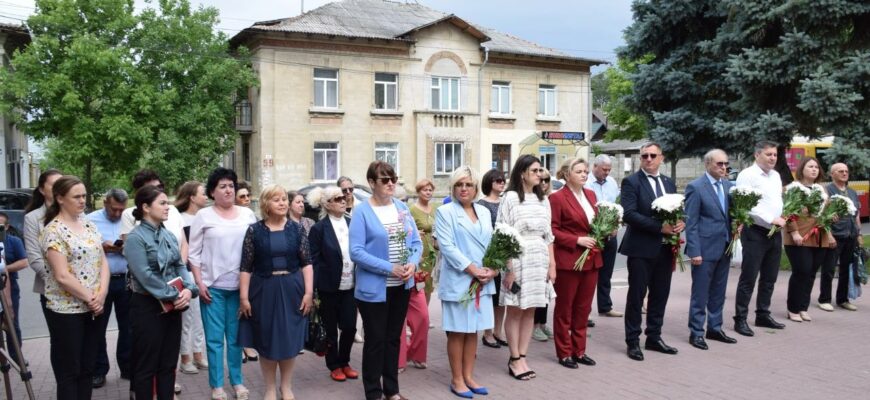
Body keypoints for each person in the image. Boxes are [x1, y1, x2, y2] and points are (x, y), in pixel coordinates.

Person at [350, 161, 422, 400]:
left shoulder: (401, 207)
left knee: (393, 340)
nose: (391, 183)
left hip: (401, 286)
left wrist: (412, 263)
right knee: (375, 341)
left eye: (394, 179)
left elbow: (415, 243)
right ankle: (373, 392)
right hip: (374, 289)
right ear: (372, 183)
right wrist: (390, 268)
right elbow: (356, 252)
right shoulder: (362, 211)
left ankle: (392, 390)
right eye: (385, 180)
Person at [238, 185, 313, 400]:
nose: (282, 203)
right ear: (265, 205)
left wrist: (308, 293)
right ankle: (270, 388)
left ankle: (286, 387)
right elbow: (245, 266)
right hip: (263, 290)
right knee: (267, 340)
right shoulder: (254, 230)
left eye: (283, 199)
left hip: (292, 288)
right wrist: (243, 297)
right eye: (276, 200)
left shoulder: (297, 229)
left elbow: (307, 262)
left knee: (289, 341)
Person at [188, 167, 257, 400]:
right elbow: (193, 253)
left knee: (237, 339)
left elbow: (255, 250)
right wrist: (199, 282)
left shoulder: (247, 215)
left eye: (231, 185)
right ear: (212, 192)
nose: (228, 190)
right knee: (215, 339)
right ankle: (217, 385)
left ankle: (237, 381)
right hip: (213, 288)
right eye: (222, 186)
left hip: (241, 288)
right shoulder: (203, 217)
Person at [124, 185, 198, 399]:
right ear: (146, 207)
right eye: (163, 203)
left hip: (173, 307)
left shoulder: (167, 234)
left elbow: (179, 265)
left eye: (168, 202)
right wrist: (176, 295)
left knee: (168, 365)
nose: (169, 207)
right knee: (146, 367)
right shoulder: (135, 238)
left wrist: (189, 289)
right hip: (147, 307)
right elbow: (145, 276)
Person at [40, 175, 110, 400]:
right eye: (76, 197)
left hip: (94, 307)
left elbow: (103, 263)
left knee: (88, 368)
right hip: (66, 310)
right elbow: (62, 275)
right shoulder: (53, 230)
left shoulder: (88, 225)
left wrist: (102, 294)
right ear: (60, 198)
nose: (82, 201)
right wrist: (91, 298)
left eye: (84, 196)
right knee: (70, 371)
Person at [619, 142, 684, 361]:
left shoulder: (668, 182)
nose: (648, 159)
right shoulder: (631, 181)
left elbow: (678, 211)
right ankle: (633, 341)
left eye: (652, 155)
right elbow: (629, 214)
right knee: (637, 295)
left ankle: (654, 337)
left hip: (666, 248)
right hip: (641, 247)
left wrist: (679, 223)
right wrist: (659, 227)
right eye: (644, 155)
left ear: (661, 158)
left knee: (660, 294)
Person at [435, 165, 495, 397]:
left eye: (468, 184)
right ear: (452, 188)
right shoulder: (445, 212)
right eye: (459, 184)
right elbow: (447, 247)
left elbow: (491, 244)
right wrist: (472, 270)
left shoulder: (484, 212)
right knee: (458, 331)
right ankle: (457, 378)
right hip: (460, 279)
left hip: (483, 280)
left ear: (476, 188)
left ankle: (469, 376)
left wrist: (493, 269)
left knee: (474, 332)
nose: (463, 188)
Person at [498, 154, 555, 380]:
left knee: (531, 308)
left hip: (538, 258)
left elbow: (549, 235)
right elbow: (503, 234)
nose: (539, 174)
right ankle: (513, 358)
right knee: (515, 309)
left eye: (540, 171)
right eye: (535, 170)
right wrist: (509, 268)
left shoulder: (544, 200)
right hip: (517, 258)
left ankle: (523, 355)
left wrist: (552, 265)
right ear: (522, 173)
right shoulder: (510, 198)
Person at [684, 150, 739, 350]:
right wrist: (694, 251)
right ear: (708, 164)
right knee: (700, 293)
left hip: (724, 246)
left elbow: (728, 215)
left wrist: (737, 224)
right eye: (719, 164)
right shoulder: (696, 187)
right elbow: (691, 223)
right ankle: (696, 332)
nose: (724, 167)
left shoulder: (728, 186)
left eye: (726, 164)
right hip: (704, 249)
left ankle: (715, 328)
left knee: (718, 292)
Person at [549, 158, 601, 368]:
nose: (584, 175)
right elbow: (552, 230)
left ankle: (579, 350)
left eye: (585, 171)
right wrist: (576, 240)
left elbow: (596, 222)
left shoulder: (591, 195)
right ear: (567, 174)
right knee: (565, 308)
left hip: (591, 259)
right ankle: (564, 352)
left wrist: (605, 230)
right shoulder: (558, 198)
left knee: (583, 308)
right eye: (578, 171)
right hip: (569, 260)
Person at [733, 141, 787, 337]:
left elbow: (776, 201)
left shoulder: (776, 176)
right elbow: (745, 204)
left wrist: (782, 216)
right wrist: (769, 218)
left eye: (775, 154)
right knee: (749, 277)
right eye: (769, 154)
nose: (773, 158)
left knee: (770, 277)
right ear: (757, 155)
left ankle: (763, 314)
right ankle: (740, 319)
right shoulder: (747, 175)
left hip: (775, 232)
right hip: (755, 231)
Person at [308, 186, 359, 382]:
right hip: (329, 287)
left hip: (351, 284)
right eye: (338, 198)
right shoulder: (319, 228)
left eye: (344, 197)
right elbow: (313, 260)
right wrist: (315, 287)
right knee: (330, 330)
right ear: (327, 204)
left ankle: (344, 361)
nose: (343, 200)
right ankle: (334, 364)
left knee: (349, 327)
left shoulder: (351, 222)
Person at [783, 157, 836, 323]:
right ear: (802, 169)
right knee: (802, 271)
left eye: (816, 167)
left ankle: (803, 307)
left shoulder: (822, 190)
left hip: (819, 237)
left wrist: (831, 218)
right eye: (810, 166)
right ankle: (793, 308)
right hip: (798, 237)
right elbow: (788, 212)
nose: (814, 169)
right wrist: (794, 232)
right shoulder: (792, 188)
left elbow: (824, 215)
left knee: (811, 273)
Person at [88, 189, 132, 387]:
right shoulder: (90, 220)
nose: (117, 214)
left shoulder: (129, 218)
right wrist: (101, 247)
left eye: (120, 210)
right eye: (113, 209)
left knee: (129, 327)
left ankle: (128, 367)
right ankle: (99, 370)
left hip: (125, 279)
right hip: (100, 283)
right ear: (105, 202)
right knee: (98, 327)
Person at [399, 180, 434, 371]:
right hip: (394, 277)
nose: (401, 205)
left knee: (423, 317)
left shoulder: (407, 217)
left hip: (415, 274)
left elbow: (416, 244)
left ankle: (416, 354)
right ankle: (399, 360)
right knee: (399, 323)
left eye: (403, 201)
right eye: (399, 201)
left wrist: (414, 260)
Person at [174, 181, 209, 373]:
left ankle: (198, 354)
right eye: (203, 193)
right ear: (192, 197)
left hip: (203, 273)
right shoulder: (179, 219)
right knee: (187, 317)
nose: (206, 197)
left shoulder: (205, 217)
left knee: (200, 318)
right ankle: (185, 358)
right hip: (186, 272)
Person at [820, 163, 864, 311]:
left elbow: (856, 215)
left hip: (850, 235)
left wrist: (859, 234)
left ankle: (842, 300)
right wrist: (829, 235)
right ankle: (824, 299)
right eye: (840, 171)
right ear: (832, 174)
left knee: (846, 268)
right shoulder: (827, 191)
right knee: (829, 269)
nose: (844, 173)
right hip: (835, 235)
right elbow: (822, 215)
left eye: (846, 171)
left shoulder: (852, 192)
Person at [585, 154, 623, 318]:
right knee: (588, 274)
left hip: (610, 235)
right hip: (592, 235)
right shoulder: (586, 182)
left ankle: (605, 306)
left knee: (606, 273)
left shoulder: (612, 183)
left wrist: (615, 225)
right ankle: (584, 311)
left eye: (609, 170)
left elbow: (616, 206)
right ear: (595, 167)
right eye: (604, 170)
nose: (606, 173)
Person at [24, 169, 63, 316]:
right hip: (52, 288)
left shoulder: (78, 214)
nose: (59, 189)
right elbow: (35, 259)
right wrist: (62, 281)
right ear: (41, 189)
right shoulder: (33, 218)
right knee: (61, 337)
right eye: (54, 185)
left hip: (82, 285)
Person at [478, 169, 508, 349]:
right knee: (490, 295)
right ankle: (487, 333)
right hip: (489, 255)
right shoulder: (481, 204)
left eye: (503, 180)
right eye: (498, 180)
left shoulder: (505, 203)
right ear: (489, 182)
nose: (502, 183)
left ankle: (499, 331)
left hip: (504, 254)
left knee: (502, 297)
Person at [0, 212, 28, 366]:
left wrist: (4, 269)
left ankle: (17, 355)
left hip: (10, 286)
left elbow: (24, 262)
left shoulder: (14, 241)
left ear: (7, 226)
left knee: (12, 322)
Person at [532, 168, 554, 342]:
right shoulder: (533, 199)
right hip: (535, 248)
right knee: (536, 289)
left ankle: (542, 323)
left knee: (547, 288)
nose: (544, 183)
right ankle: (534, 325)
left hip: (549, 247)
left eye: (547, 180)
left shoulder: (549, 199)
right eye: (542, 180)